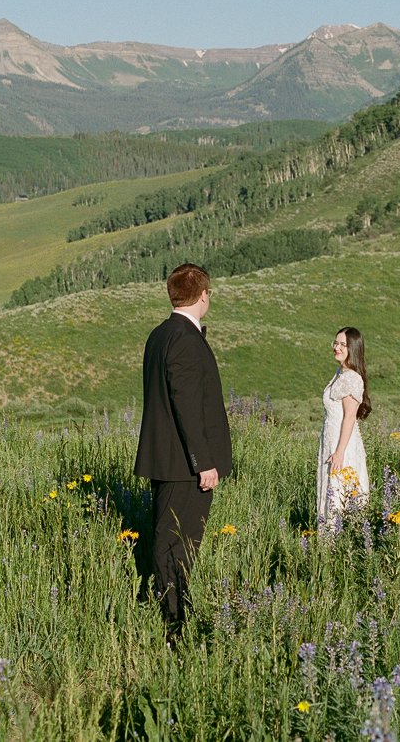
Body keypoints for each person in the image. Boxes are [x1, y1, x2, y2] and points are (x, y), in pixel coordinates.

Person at [134, 263, 233, 641]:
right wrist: (204, 462)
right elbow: (187, 404)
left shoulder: (159, 335)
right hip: (185, 466)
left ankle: (168, 615)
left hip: (165, 460)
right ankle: (175, 626)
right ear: (203, 295)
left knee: (168, 542)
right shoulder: (187, 340)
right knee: (176, 546)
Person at [317, 326, 371, 526]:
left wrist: (339, 452)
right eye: (336, 343)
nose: (336, 348)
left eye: (343, 345)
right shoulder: (341, 372)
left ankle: (337, 540)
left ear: (353, 349)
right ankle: (327, 541)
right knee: (330, 490)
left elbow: (350, 417)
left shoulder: (351, 378)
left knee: (339, 491)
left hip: (342, 444)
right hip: (331, 439)